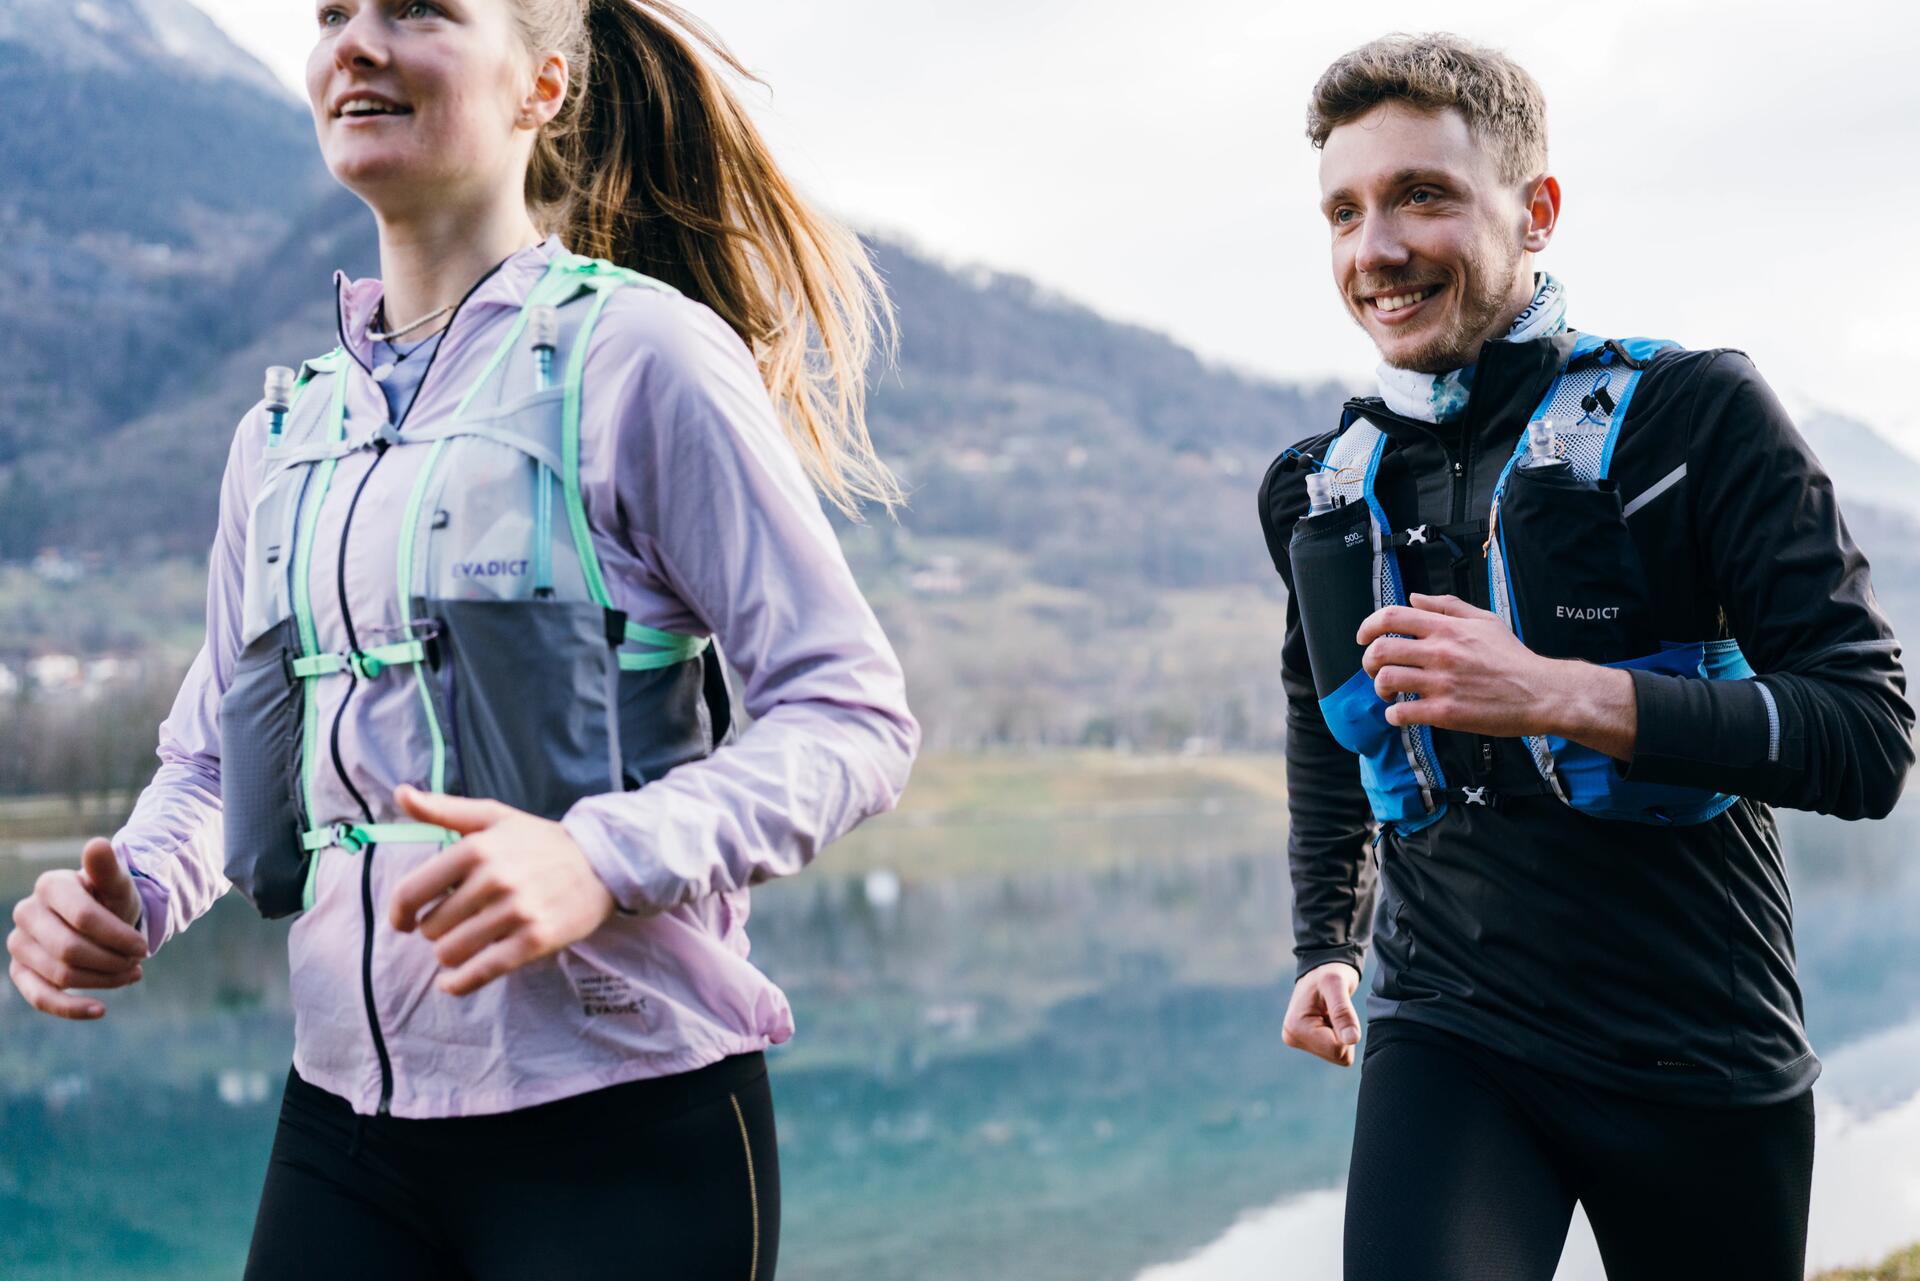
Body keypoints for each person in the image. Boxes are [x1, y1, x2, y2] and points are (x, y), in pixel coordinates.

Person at [4, 1, 918, 1276]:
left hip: (624, 1127)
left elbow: (852, 716)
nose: (355, 42)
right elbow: (216, 766)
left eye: (416, 8)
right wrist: (140, 893)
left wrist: (600, 856)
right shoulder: (280, 436)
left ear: (542, 84)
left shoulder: (642, 359)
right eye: (332, 13)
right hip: (341, 1131)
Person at [1257, 32, 1913, 1281]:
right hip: (1443, 1026)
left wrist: (1559, 695)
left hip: (1698, 1049)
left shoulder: (1697, 416)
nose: (1374, 249)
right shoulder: (1316, 489)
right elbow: (1320, 717)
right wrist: (1326, 945)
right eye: (1344, 210)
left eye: (1423, 196)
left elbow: (1869, 738)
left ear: (1536, 209)